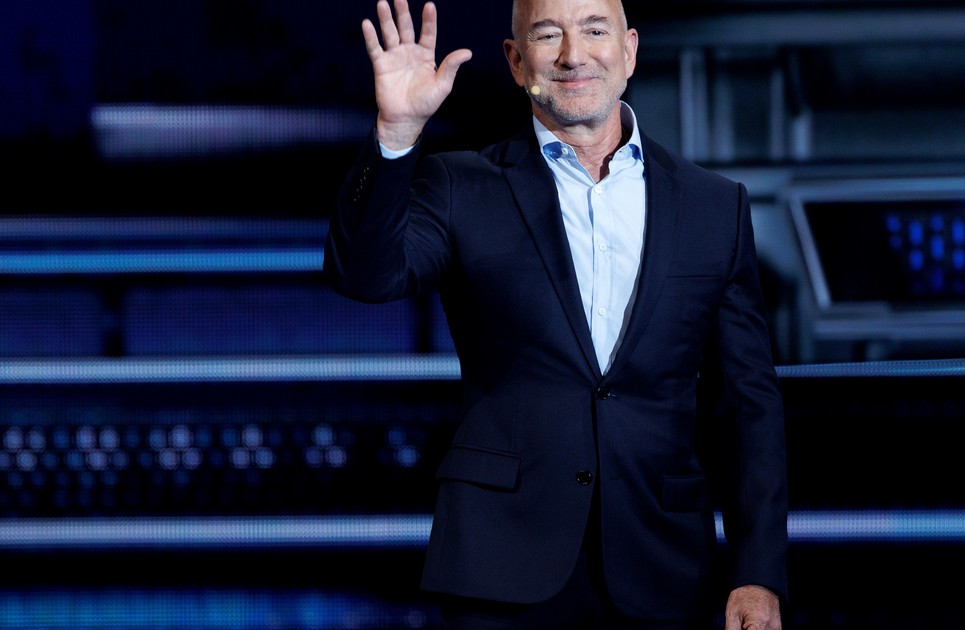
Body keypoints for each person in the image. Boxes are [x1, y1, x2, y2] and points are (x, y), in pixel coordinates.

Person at [323, 0, 789, 627]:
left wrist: (758, 571)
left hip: (666, 568)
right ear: (517, 62)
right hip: (500, 569)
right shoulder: (461, 185)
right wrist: (396, 134)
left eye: (595, 30)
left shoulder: (714, 206)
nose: (574, 55)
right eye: (548, 35)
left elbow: (748, 404)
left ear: (629, 50)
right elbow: (363, 275)